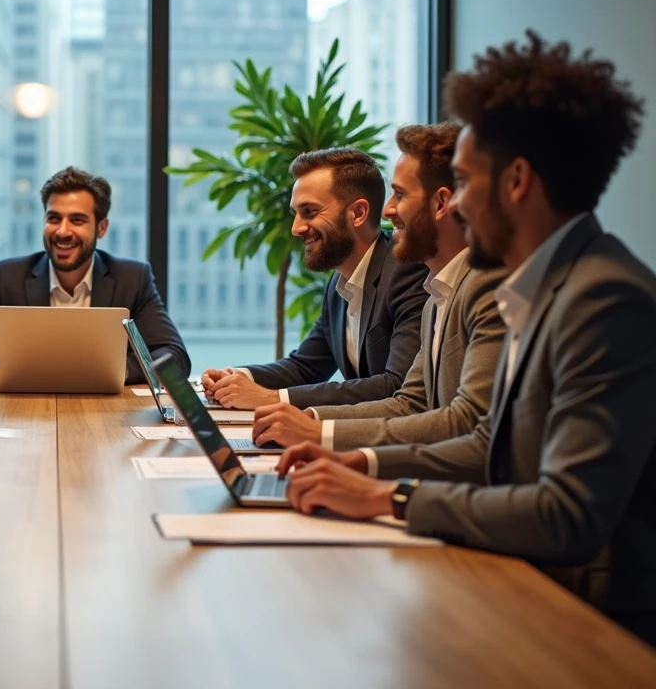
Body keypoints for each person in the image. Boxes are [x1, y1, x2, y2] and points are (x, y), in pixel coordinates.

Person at [276, 31, 656, 644]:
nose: (456, 204)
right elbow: (486, 444)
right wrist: (359, 464)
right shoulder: (543, 285)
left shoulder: (603, 298)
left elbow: (567, 514)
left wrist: (388, 497)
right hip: (521, 575)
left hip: (591, 619)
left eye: (467, 182)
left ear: (517, 182)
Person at [249, 123, 506, 450]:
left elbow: (462, 424)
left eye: (400, 194)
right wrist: (308, 420)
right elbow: (410, 404)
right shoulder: (435, 296)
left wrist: (314, 430)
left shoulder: (478, 286)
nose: (387, 209)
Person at [201, 148, 429, 409]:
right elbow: (305, 367)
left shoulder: (405, 270)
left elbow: (397, 385)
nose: (296, 228)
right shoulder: (339, 283)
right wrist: (238, 378)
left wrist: (271, 398)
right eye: (296, 214)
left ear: (358, 213)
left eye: (309, 211)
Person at [0, 166, 189, 384]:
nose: (62, 231)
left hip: (106, 415)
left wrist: (117, 371)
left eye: (77, 220)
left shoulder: (132, 280)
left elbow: (174, 357)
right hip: (24, 416)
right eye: (53, 218)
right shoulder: (9, 277)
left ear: (101, 228)